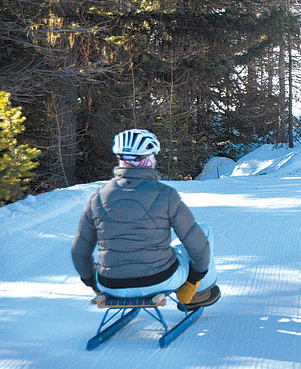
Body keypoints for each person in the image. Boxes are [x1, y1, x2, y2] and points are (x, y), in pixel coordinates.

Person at [71, 129, 221, 310]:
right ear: (148, 159)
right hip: (159, 281)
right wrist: (193, 280)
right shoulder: (166, 194)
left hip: (110, 285)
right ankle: (199, 294)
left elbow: (79, 251)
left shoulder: (97, 197)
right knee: (202, 231)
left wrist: (93, 283)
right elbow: (198, 245)